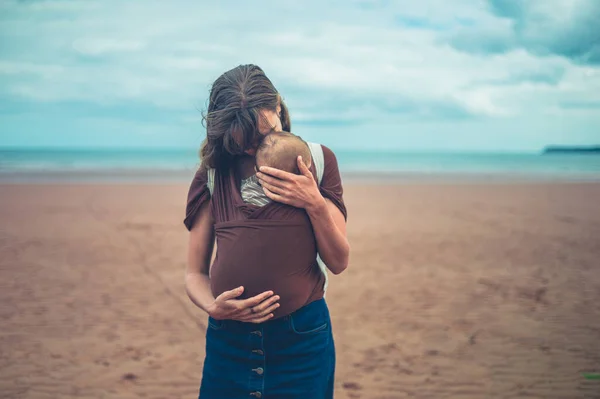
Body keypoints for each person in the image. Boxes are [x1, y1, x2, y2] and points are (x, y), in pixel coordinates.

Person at [184, 64, 350, 399]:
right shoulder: (214, 174)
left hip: (302, 341)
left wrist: (314, 203)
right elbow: (194, 274)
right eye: (241, 142)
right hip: (228, 343)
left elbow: (339, 261)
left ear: (277, 107)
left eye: (262, 135)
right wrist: (212, 307)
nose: (251, 150)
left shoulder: (316, 161)